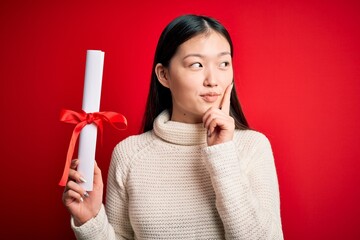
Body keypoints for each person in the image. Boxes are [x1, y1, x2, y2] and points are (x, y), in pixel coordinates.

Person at [62, 14, 284, 239]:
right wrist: (90, 221)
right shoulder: (129, 154)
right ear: (164, 75)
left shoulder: (253, 147)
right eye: (197, 64)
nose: (213, 80)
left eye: (224, 63)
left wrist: (223, 155)